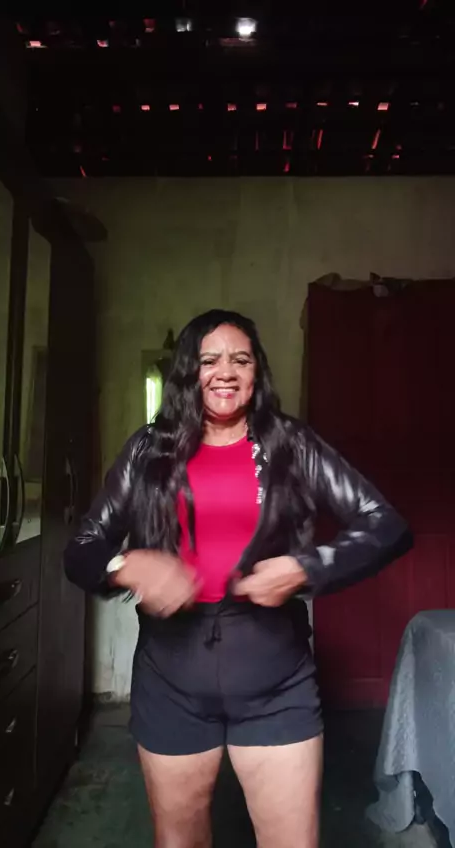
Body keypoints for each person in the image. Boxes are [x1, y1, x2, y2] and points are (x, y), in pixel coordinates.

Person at [64, 309, 412, 848]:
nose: (225, 372)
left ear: (256, 373)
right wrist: (125, 564)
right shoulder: (148, 450)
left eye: (240, 360)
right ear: (189, 371)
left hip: (275, 676)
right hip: (171, 678)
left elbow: (385, 525)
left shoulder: (291, 444)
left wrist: (308, 566)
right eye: (210, 360)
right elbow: (82, 549)